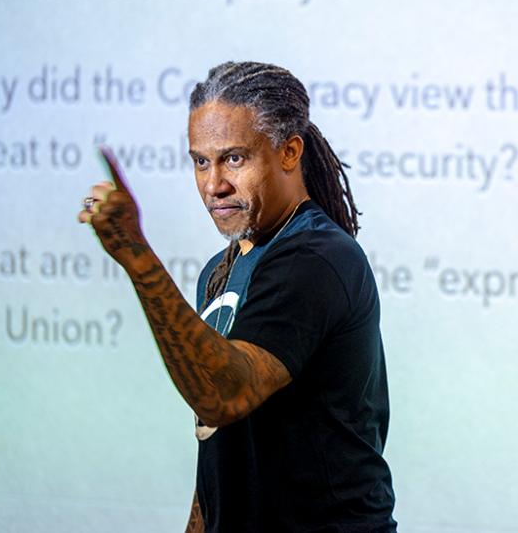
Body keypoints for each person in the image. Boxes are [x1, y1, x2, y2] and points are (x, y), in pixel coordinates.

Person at [79, 62, 396, 533]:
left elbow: (224, 394)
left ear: (289, 153)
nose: (213, 184)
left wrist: (136, 255)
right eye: (200, 161)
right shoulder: (219, 271)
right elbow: (216, 445)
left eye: (234, 159)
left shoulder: (314, 258)